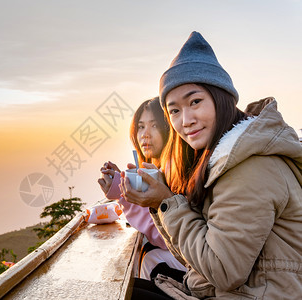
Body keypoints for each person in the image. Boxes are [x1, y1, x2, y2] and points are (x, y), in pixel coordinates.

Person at [120, 31, 302, 299]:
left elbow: (222, 270)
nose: (186, 120)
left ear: (221, 98)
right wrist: (161, 202)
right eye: (174, 111)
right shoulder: (221, 158)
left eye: (195, 102)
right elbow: (195, 259)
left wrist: (165, 202)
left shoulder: (251, 167)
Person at [97, 97, 186, 283]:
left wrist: (123, 194)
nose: (145, 134)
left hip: (195, 266)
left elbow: (164, 237)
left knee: (150, 259)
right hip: (187, 259)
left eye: (154, 126)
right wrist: (121, 184)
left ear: (169, 129)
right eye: (141, 126)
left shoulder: (176, 169)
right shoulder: (160, 166)